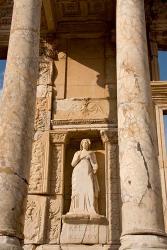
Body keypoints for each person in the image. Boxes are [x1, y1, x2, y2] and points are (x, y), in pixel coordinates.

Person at [68, 139, 100, 215]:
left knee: (89, 188)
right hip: (78, 172)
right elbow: (72, 164)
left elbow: (95, 164)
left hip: (88, 172)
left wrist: (95, 168)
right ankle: (77, 209)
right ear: (81, 144)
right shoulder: (78, 153)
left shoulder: (91, 153)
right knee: (78, 190)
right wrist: (79, 157)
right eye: (84, 143)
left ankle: (90, 208)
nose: (85, 144)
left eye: (86, 143)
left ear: (88, 145)